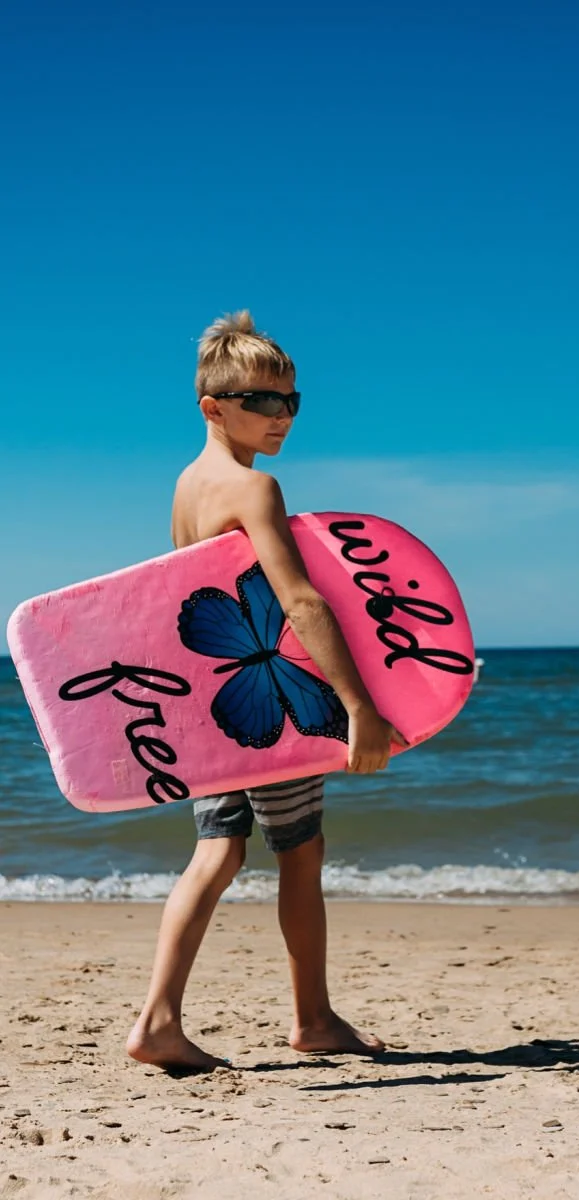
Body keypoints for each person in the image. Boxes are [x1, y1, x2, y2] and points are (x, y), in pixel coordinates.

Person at [126, 311, 403, 1072]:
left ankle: (158, 1020)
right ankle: (313, 1018)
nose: (281, 418)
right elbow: (301, 603)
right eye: (262, 402)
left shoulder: (186, 487)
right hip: (271, 705)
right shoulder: (255, 487)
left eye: (291, 402)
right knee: (301, 853)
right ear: (213, 406)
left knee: (215, 853)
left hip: (216, 702)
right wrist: (358, 707)